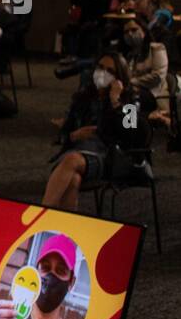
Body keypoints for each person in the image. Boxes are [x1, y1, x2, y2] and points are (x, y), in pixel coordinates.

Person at [42, 51, 155, 211]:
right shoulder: (83, 96)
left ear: (119, 77)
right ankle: (64, 231)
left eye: (110, 71)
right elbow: (64, 134)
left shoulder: (129, 99)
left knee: (71, 161)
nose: (103, 73)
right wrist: (75, 135)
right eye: (101, 67)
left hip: (110, 157)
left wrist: (116, 102)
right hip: (80, 151)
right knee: (73, 180)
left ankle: (40, 216)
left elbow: (132, 136)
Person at [0, 234, 81, 319]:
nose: (51, 278)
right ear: (36, 271)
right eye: (45, 268)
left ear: (71, 283)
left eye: (60, 270)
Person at [119, 16, 169, 99]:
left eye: (134, 30)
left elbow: (158, 76)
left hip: (155, 95)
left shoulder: (156, 48)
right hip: (134, 94)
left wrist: (132, 82)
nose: (130, 34)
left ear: (144, 31)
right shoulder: (129, 55)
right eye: (126, 32)